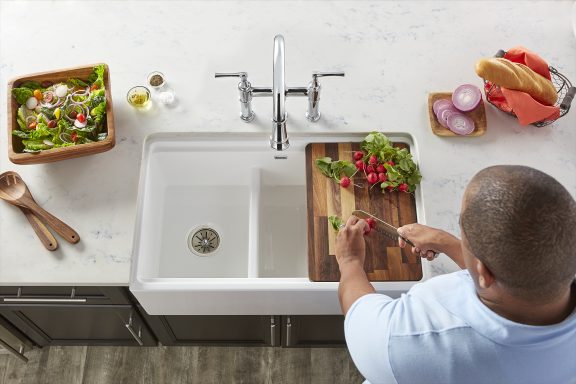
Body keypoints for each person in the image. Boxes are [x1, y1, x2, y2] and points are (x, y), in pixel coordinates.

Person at [335, 165, 576, 384]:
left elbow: (361, 317)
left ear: (484, 273)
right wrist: (447, 242)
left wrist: (350, 261)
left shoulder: (410, 340)